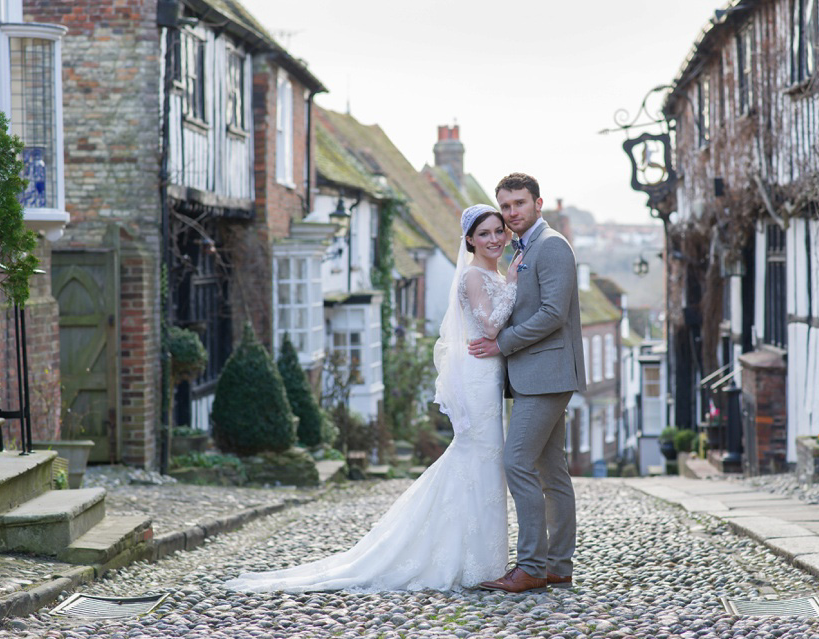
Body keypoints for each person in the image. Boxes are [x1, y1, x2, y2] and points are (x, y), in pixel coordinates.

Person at [223, 204, 522, 593]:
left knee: (484, 458)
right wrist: (514, 283)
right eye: (484, 233)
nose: (495, 239)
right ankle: (466, 559)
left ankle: (480, 556)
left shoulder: (493, 272)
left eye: (499, 230)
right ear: (469, 239)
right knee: (478, 454)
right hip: (478, 373)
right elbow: (490, 324)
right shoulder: (472, 276)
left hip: (488, 371)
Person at [469, 172, 586, 594]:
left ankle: (532, 566)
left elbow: (554, 313)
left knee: (516, 462)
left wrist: (502, 344)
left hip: (547, 375)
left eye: (519, 203)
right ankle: (558, 566)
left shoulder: (551, 246)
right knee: (552, 472)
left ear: (538, 204)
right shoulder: (525, 248)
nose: (511, 212)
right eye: (505, 205)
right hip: (537, 375)